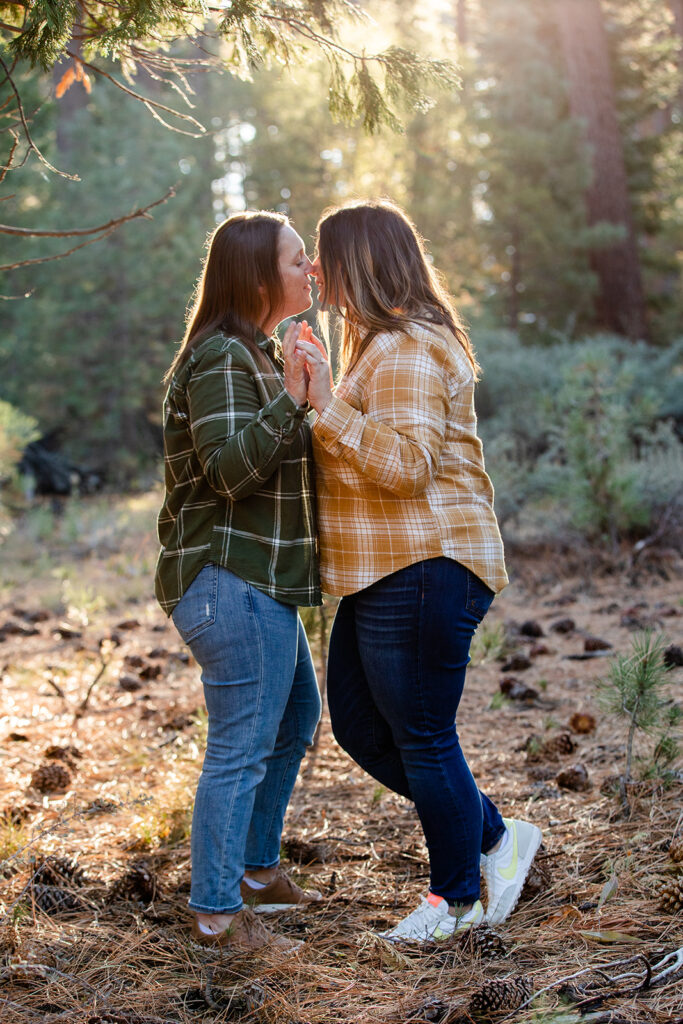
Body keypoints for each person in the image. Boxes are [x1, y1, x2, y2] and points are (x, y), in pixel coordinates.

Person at [295, 199, 542, 943]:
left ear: (359, 263)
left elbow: (406, 466)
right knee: (364, 729)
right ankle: (497, 838)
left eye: (322, 255)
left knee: (422, 734)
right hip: (384, 569)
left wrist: (326, 405)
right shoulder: (379, 344)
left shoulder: (404, 347)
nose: (312, 268)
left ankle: (455, 900)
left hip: (425, 561)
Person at [154, 210, 324, 952]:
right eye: (295, 260)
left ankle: (255, 872)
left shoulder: (255, 354)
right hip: (229, 577)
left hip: (262, 580)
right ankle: (219, 917)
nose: (310, 269)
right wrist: (290, 397)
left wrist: (304, 387)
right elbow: (227, 471)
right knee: (241, 746)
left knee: (292, 722)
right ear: (257, 276)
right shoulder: (223, 356)